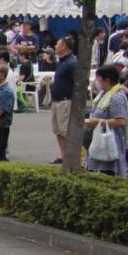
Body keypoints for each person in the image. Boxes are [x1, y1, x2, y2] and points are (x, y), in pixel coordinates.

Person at [84, 64, 128, 177]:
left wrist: (98, 122)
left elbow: (120, 121)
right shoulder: (104, 94)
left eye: (99, 79)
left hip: (109, 141)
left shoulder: (117, 97)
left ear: (107, 80)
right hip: (98, 140)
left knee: (107, 173)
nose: (97, 82)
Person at [48, 36, 76, 164]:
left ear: (64, 46)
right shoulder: (62, 62)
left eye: (57, 44)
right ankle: (63, 154)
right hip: (57, 99)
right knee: (58, 130)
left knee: (65, 130)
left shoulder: (72, 63)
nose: (55, 46)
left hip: (65, 100)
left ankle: (70, 156)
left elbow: (77, 82)